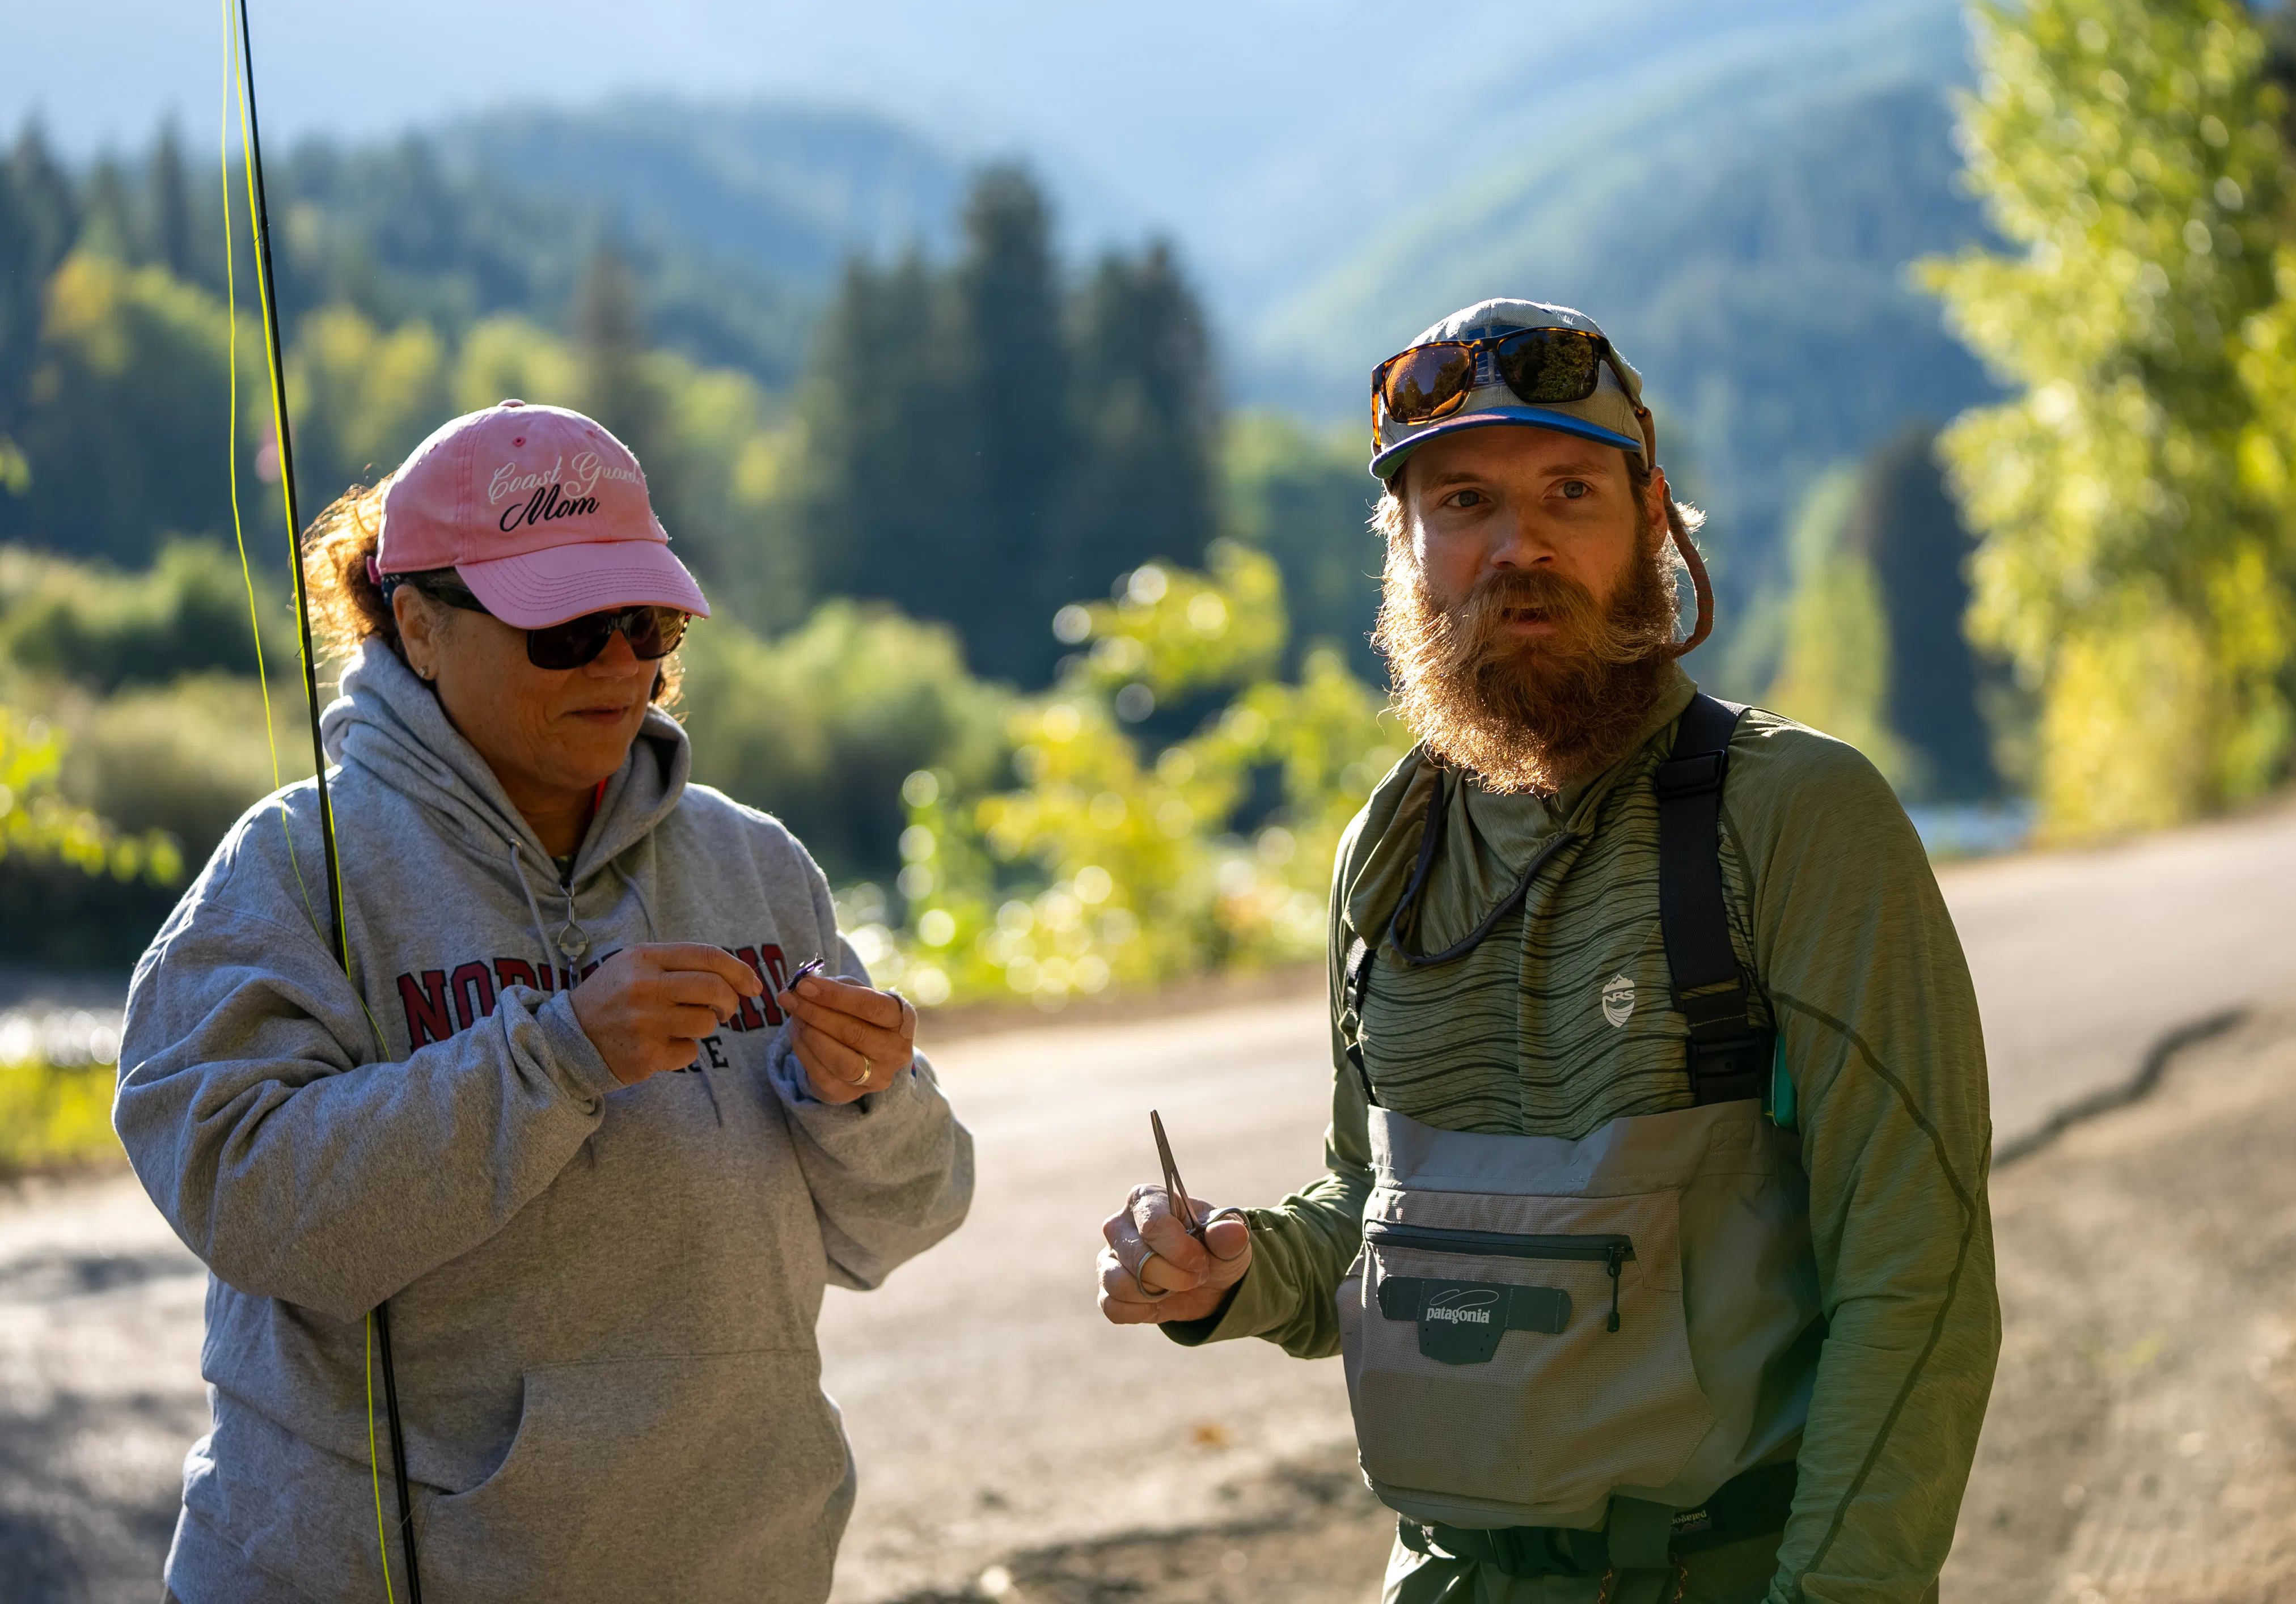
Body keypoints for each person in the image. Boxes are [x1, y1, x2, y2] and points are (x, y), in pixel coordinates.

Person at [1096, 302, 1998, 1603]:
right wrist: (1230, 1273)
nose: (1517, 545)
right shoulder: (1388, 846)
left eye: (1567, 490)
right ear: (1402, 546)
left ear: (1651, 522)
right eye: (1460, 499)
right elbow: (1375, 1211)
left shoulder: (1792, 815)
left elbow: (1916, 1272)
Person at [116, 399, 973, 1604]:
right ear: (417, 626)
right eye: (564, 630)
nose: (623, 666)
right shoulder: (288, 875)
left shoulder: (754, 865)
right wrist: (558, 1057)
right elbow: (251, 1207)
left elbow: (904, 1219)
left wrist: (866, 1099)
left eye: (647, 621)